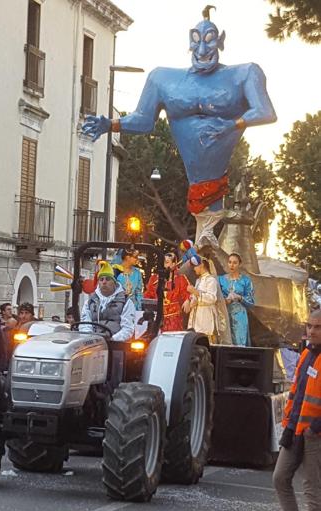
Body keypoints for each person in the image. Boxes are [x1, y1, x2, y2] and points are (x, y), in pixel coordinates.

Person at [82, 6, 276, 246]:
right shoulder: (162, 79)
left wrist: (232, 124)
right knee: (204, 246)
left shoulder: (245, 74)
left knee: (208, 245)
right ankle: (204, 236)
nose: (203, 50)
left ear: (220, 42)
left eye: (209, 41)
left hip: (214, 183)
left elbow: (266, 111)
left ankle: (208, 235)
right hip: (197, 185)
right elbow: (143, 120)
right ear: (190, 43)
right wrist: (110, 124)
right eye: (197, 42)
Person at [269, 308, 321, 511]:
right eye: (309, 326)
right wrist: (289, 427)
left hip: (314, 434)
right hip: (297, 428)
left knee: (313, 490)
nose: (311, 331)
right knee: (280, 478)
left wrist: (315, 427)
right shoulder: (306, 355)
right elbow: (297, 393)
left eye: (317, 327)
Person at [81, 261, 136, 341]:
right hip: (93, 345)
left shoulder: (126, 302)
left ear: (114, 282)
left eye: (108, 279)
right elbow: (85, 325)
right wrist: (90, 339)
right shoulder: (89, 302)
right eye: (101, 279)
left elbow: (128, 328)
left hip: (115, 345)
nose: (104, 282)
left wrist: (112, 339)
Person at [144, 252, 188, 331]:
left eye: (167, 262)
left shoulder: (180, 279)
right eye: (163, 262)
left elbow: (186, 294)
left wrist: (188, 300)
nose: (164, 265)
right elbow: (148, 295)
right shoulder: (154, 279)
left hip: (174, 319)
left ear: (174, 264)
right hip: (157, 317)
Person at [218, 253, 255, 346]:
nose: (232, 265)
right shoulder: (221, 279)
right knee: (225, 342)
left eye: (235, 263)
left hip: (239, 316)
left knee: (239, 342)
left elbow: (251, 301)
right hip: (224, 314)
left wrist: (240, 297)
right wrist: (225, 300)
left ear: (240, 264)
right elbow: (217, 296)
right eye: (230, 262)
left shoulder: (245, 281)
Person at [183, 255, 220, 342]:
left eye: (195, 266)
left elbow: (212, 298)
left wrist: (195, 292)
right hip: (196, 319)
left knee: (206, 344)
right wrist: (188, 300)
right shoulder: (198, 280)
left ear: (202, 265)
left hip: (206, 318)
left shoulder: (211, 280)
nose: (194, 269)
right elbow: (195, 296)